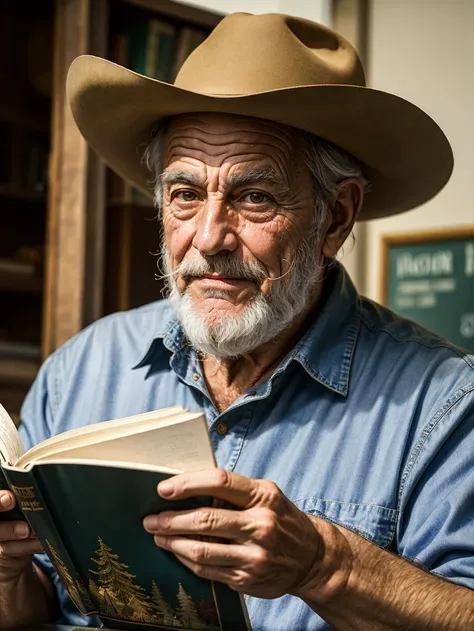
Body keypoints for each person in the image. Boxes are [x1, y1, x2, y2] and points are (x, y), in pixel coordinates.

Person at [1, 12, 473, 631]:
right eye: (185, 194)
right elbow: (34, 605)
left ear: (335, 217)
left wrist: (325, 566)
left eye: (255, 197)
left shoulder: (443, 403)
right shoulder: (80, 369)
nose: (209, 237)